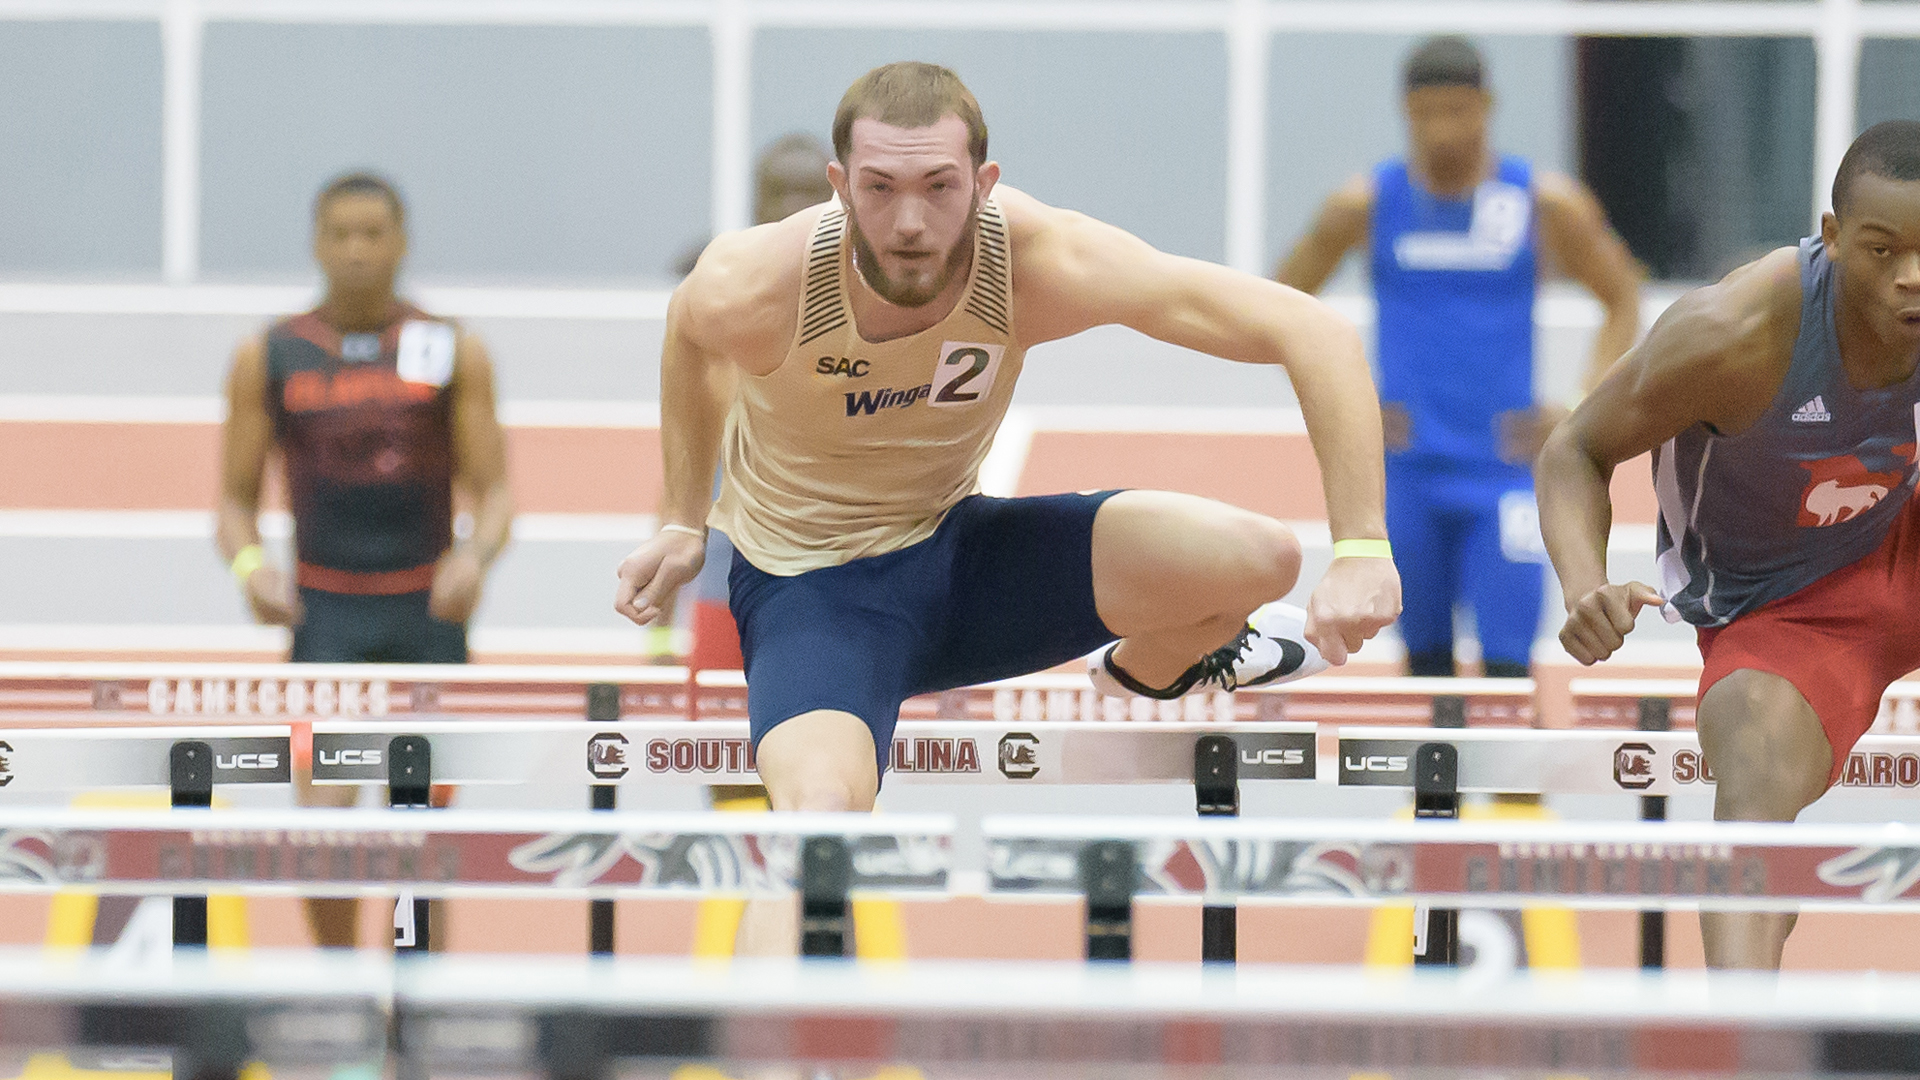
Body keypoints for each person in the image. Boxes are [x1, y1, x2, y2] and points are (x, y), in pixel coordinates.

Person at [613, 60, 1401, 821]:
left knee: (1263, 559)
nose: (911, 222)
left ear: (982, 186)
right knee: (818, 825)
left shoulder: (1034, 263)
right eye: (880, 189)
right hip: (812, 591)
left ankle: (1150, 674)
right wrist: (685, 521)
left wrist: (1363, 548)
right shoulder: (758, 285)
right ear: (841, 186)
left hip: (963, 560)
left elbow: (1315, 333)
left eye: (940, 188)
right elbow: (690, 336)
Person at [1537, 120, 1920, 969]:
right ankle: (1743, 1040)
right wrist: (1583, 583)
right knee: (1754, 760)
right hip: (1780, 611)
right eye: (1882, 250)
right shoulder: (1733, 335)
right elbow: (1574, 450)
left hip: (1905, 541)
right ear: (1830, 237)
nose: (1913, 279)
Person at [1277, 36, 1640, 679]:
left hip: (1504, 470)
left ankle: (1513, 785)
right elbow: (1278, 306)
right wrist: (1349, 400)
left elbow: (1622, 298)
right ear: (1405, 111)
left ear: (1488, 106)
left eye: (1459, 111)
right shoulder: (1366, 204)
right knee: (1426, 676)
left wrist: (1580, 410)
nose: (1445, 130)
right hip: (1407, 473)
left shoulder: (1541, 203)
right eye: (1429, 113)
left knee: (1508, 671)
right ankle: (1431, 786)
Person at [216, 172, 514, 949]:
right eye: (340, 234)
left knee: (423, 837)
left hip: (427, 619)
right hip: (326, 621)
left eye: (372, 234)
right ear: (317, 242)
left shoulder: (453, 347)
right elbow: (231, 502)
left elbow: (497, 493)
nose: (356, 250)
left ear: (401, 241)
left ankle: (417, 1015)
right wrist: (252, 569)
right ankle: (340, 998)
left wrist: (474, 556)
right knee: (322, 831)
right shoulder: (271, 353)